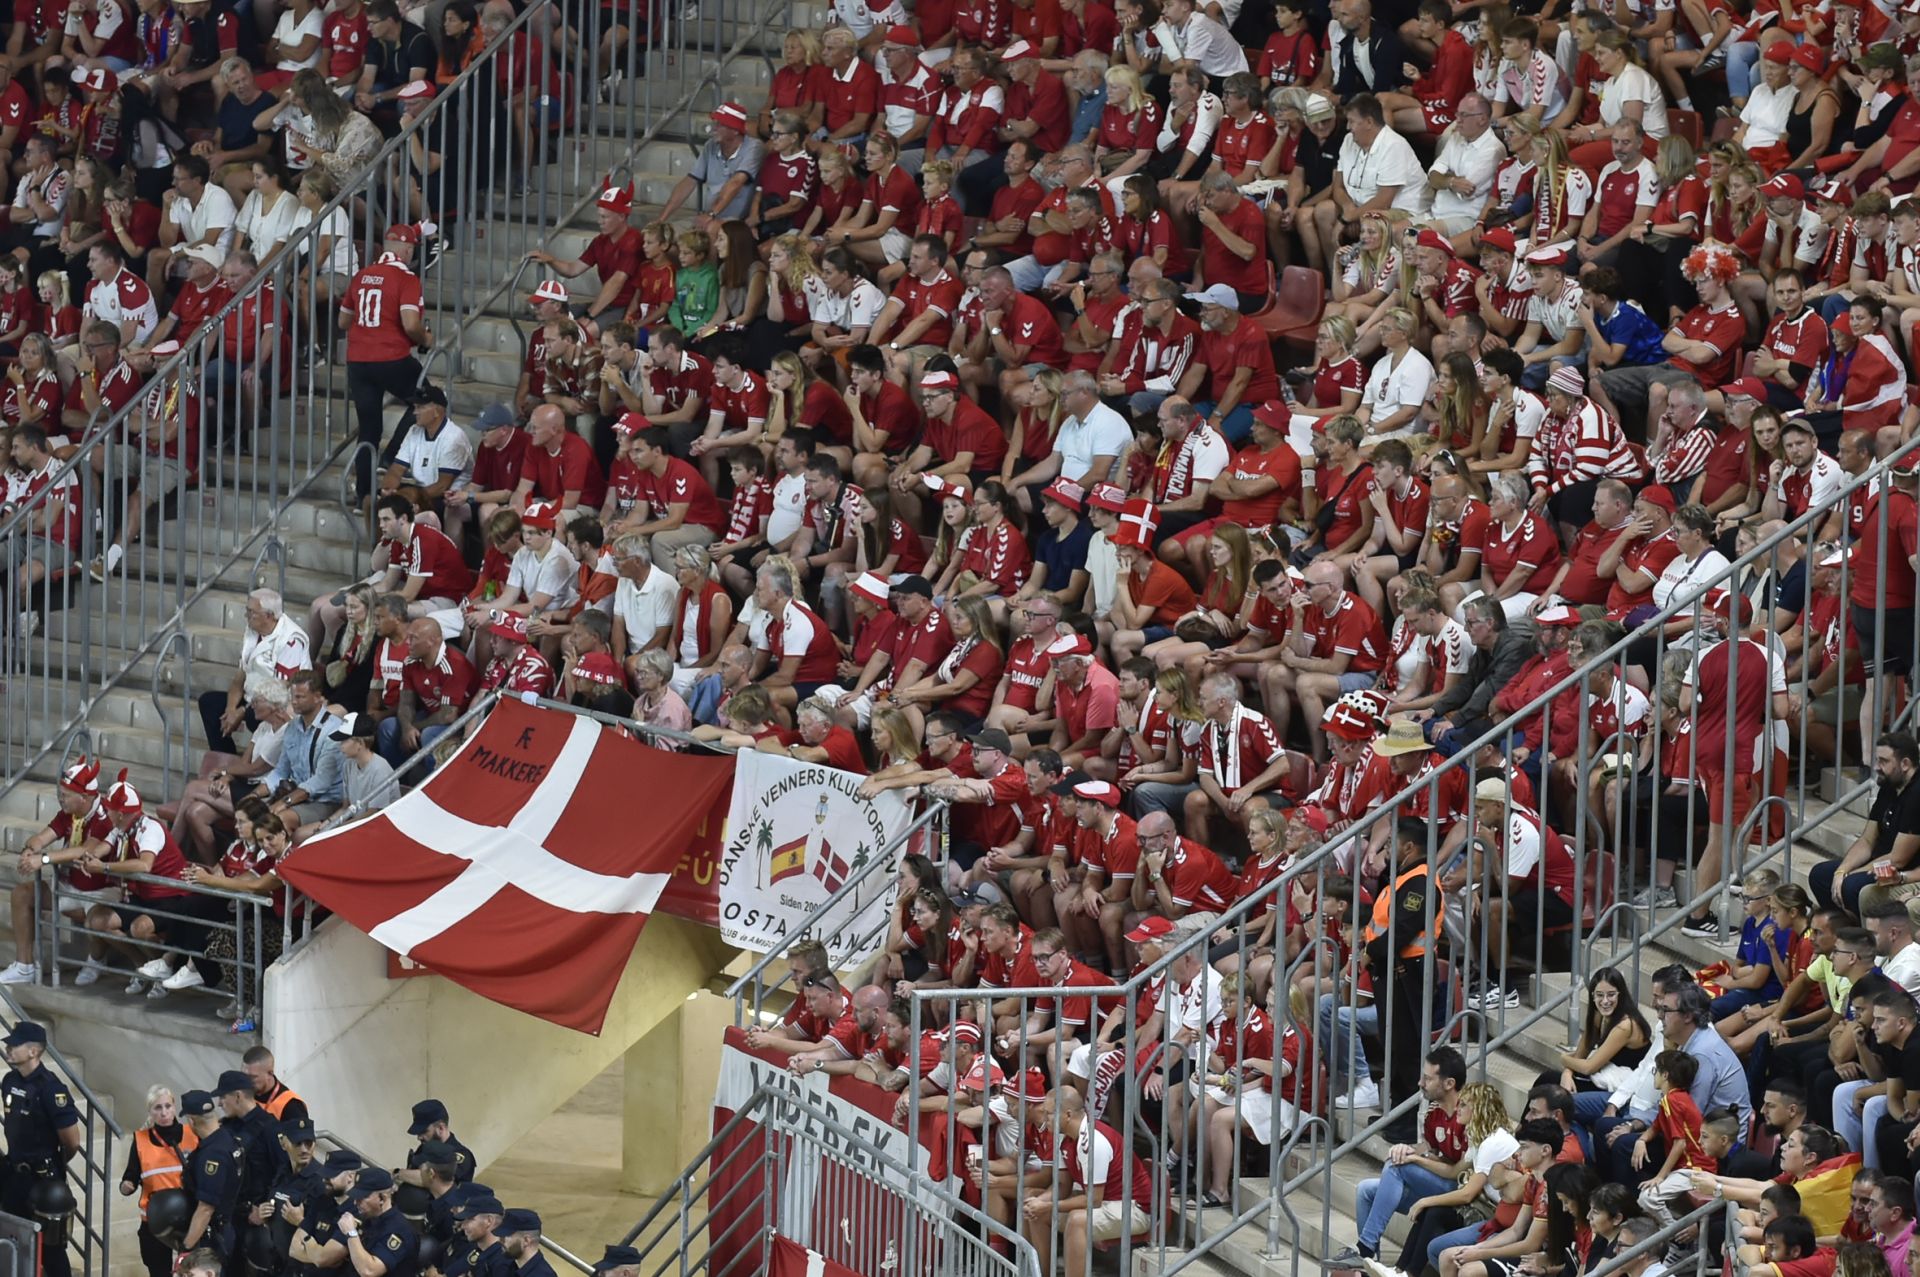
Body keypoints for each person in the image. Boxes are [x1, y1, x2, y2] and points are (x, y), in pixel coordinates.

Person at [1, 1022, 82, 1277]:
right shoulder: (9, 1080)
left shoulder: (51, 1088)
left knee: (52, 1249)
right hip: (15, 1174)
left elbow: (71, 1142)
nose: (8, 1048)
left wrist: (51, 1163)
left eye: (15, 1045)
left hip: (43, 1180)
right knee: (13, 1238)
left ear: (34, 1051)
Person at [121, 1085, 196, 1277]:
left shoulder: (192, 1134)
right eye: (157, 1108)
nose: (164, 1112)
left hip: (188, 1216)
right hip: (154, 1219)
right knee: (159, 1271)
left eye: (167, 1106)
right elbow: (131, 1175)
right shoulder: (141, 1139)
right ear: (150, 1111)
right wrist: (127, 1186)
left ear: (174, 1106)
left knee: (192, 1270)